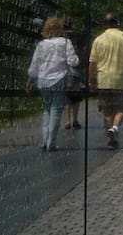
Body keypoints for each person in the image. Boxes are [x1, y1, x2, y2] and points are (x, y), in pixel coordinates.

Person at [27, 17, 79, 151]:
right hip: (59, 78)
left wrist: (30, 81)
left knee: (47, 110)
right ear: (60, 28)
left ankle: (44, 141)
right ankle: (52, 142)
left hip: (43, 80)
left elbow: (34, 65)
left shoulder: (41, 44)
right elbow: (73, 62)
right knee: (56, 111)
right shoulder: (65, 42)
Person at [89, 13, 123, 148]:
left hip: (103, 79)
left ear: (104, 24)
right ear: (117, 23)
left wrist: (91, 78)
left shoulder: (98, 40)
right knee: (122, 107)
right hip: (121, 78)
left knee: (107, 109)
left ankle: (112, 136)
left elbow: (92, 62)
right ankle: (115, 128)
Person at [64, 23, 86, 130]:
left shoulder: (62, 40)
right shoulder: (79, 40)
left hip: (64, 72)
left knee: (67, 97)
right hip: (76, 71)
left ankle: (67, 120)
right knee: (76, 97)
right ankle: (75, 119)